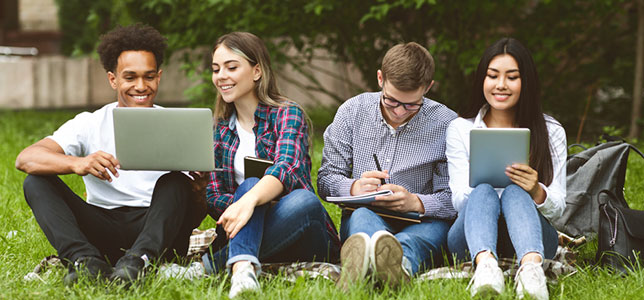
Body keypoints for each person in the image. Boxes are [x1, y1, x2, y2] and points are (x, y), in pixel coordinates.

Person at [15, 24, 206, 285]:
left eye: (149, 77)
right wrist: (78, 163)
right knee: (36, 181)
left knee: (175, 181)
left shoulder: (179, 125)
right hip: (102, 226)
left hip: (157, 231)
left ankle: (139, 262)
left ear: (159, 77)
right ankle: (84, 261)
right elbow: (26, 158)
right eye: (130, 77)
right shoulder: (90, 123)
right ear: (113, 79)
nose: (141, 86)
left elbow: (188, 216)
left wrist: (199, 193)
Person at [202, 32, 340, 298]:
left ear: (256, 71)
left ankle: (211, 266)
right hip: (251, 230)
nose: (221, 76)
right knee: (251, 187)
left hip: (299, 228)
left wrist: (251, 200)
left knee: (305, 201)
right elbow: (213, 194)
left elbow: (286, 168)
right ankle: (243, 270)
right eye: (216, 69)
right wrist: (252, 208)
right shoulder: (218, 129)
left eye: (232, 67)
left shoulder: (288, 113)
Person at [317, 42, 457, 288]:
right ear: (380, 78)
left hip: (422, 221)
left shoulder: (447, 124)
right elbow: (326, 179)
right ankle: (384, 267)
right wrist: (354, 188)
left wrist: (415, 202)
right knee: (361, 217)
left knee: (428, 235)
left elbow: (454, 198)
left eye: (412, 104)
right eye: (392, 101)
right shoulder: (352, 112)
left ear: (429, 87)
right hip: (367, 212)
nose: (400, 112)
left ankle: (380, 268)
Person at [445, 38, 566, 300]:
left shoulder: (551, 131)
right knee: (484, 190)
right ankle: (486, 267)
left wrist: (535, 191)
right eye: (492, 76)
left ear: (526, 82)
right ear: (482, 80)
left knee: (515, 192)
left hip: (530, 235)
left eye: (512, 77)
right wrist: (476, 178)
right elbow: (457, 202)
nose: (500, 85)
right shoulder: (460, 129)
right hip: (470, 237)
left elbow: (559, 206)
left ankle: (531, 272)